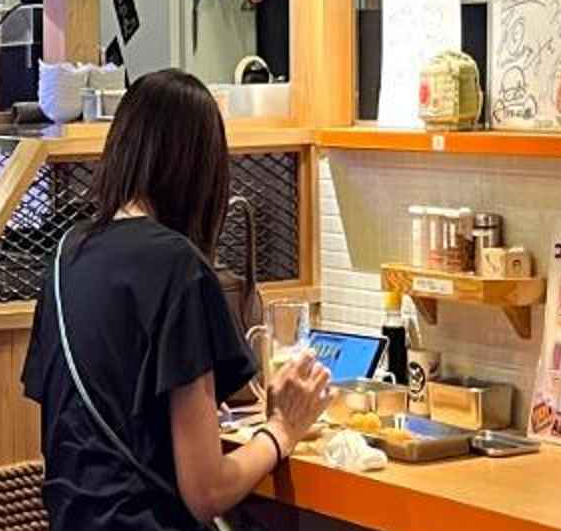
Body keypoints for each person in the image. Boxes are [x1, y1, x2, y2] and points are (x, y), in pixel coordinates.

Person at [23, 70, 332, 529]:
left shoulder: (68, 251)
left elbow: (84, 426)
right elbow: (207, 491)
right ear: (201, 172)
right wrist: (284, 429)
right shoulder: (178, 266)